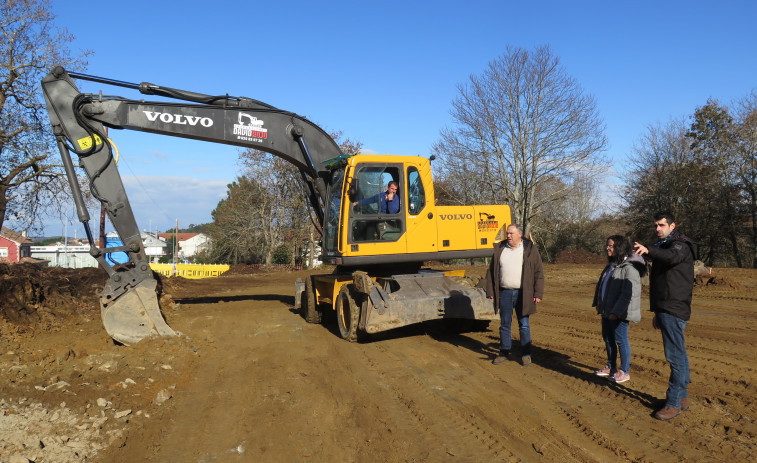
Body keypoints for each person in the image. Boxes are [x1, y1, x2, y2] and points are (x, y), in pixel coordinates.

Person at [633, 211, 697, 421]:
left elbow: (671, 257)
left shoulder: (680, 245)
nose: (657, 229)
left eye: (661, 225)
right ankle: (683, 398)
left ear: (672, 225)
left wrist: (649, 249)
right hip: (665, 307)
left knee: (675, 356)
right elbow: (656, 255)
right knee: (679, 353)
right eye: (655, 226)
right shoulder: (664, 245)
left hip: (674, 307)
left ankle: (673, 403)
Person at [485, 224, 544, 366]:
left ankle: (526, 354)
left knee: (524, 324)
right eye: (507, 233)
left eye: (511, 233)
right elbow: (491, 272)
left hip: (524, 293)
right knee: (505, 324)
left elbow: (538, 272)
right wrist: (491, 291)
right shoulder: (500, 249)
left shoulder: (530, 249)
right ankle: (504, 352)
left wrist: (538, 293)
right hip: (504, 292)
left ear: (519, 234)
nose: (508, 236)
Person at [592, 235, 647, 383]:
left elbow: (628, 294)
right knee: (608, 339)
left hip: (618, 314)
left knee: (621, 340)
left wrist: (616, 312)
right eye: (607, 245)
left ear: (619, 248)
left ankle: (625, 371)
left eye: (610, 246)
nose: (607, 248)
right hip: (606, 311)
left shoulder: (630, 269)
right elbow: (602, 285)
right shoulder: (611, 265)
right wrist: (599, 302)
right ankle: (611, 367)